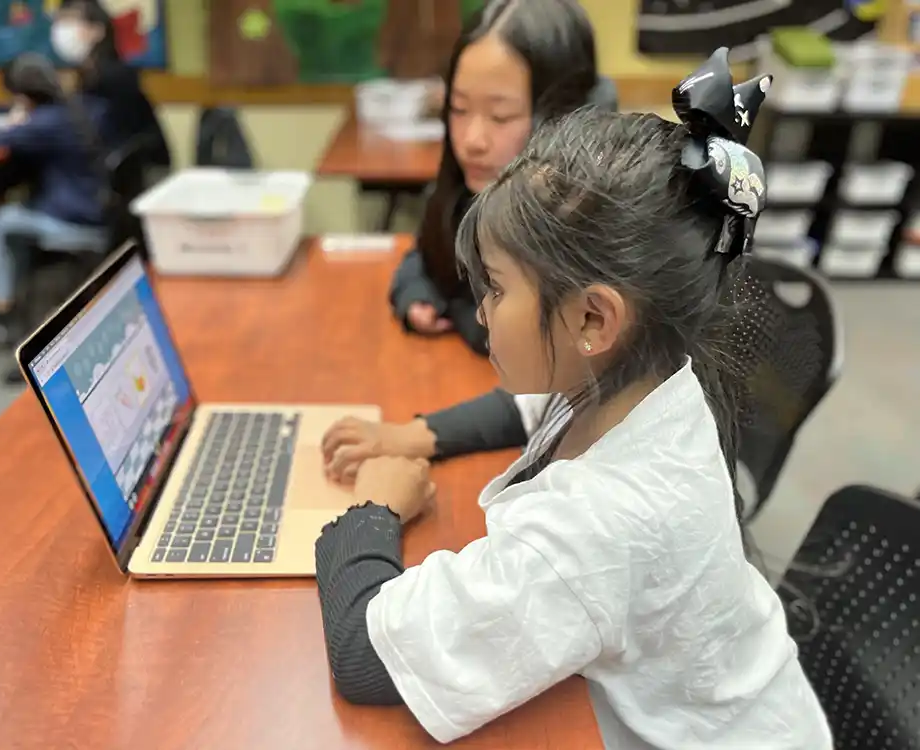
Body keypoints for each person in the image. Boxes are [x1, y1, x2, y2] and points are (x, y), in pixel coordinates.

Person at [314, 50, 833, 749]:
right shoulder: (648, 379)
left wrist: (371, 509)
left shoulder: (593, 532)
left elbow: (363, 655)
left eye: (496, 288)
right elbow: (530, 412)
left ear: (593, 319)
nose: (483, 311)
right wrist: (420, 435)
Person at [390, 0, 616, 355]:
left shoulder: (598, 222)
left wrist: (455, 306)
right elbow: (427, 252)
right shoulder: (477, 183)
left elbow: (504, 334)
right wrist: (417, 294)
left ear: (562, 116)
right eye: (459, 109)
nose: (471, 141)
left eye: (500, 116)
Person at [0, 53, 111, 323]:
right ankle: (14, 289)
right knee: (17, 215)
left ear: (21, 94)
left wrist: (18, 116)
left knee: (1, 220)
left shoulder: (44, 124)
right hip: (98, 207)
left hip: (76, 219)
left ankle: (1, 305)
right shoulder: (82, 107)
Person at [51, 0, 170, 164]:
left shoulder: (114, 76)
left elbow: (91, 131)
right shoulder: (85, 76)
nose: (62, 30)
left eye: (70, 20)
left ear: (98, 31)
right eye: (59, 21)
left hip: (134, 173)